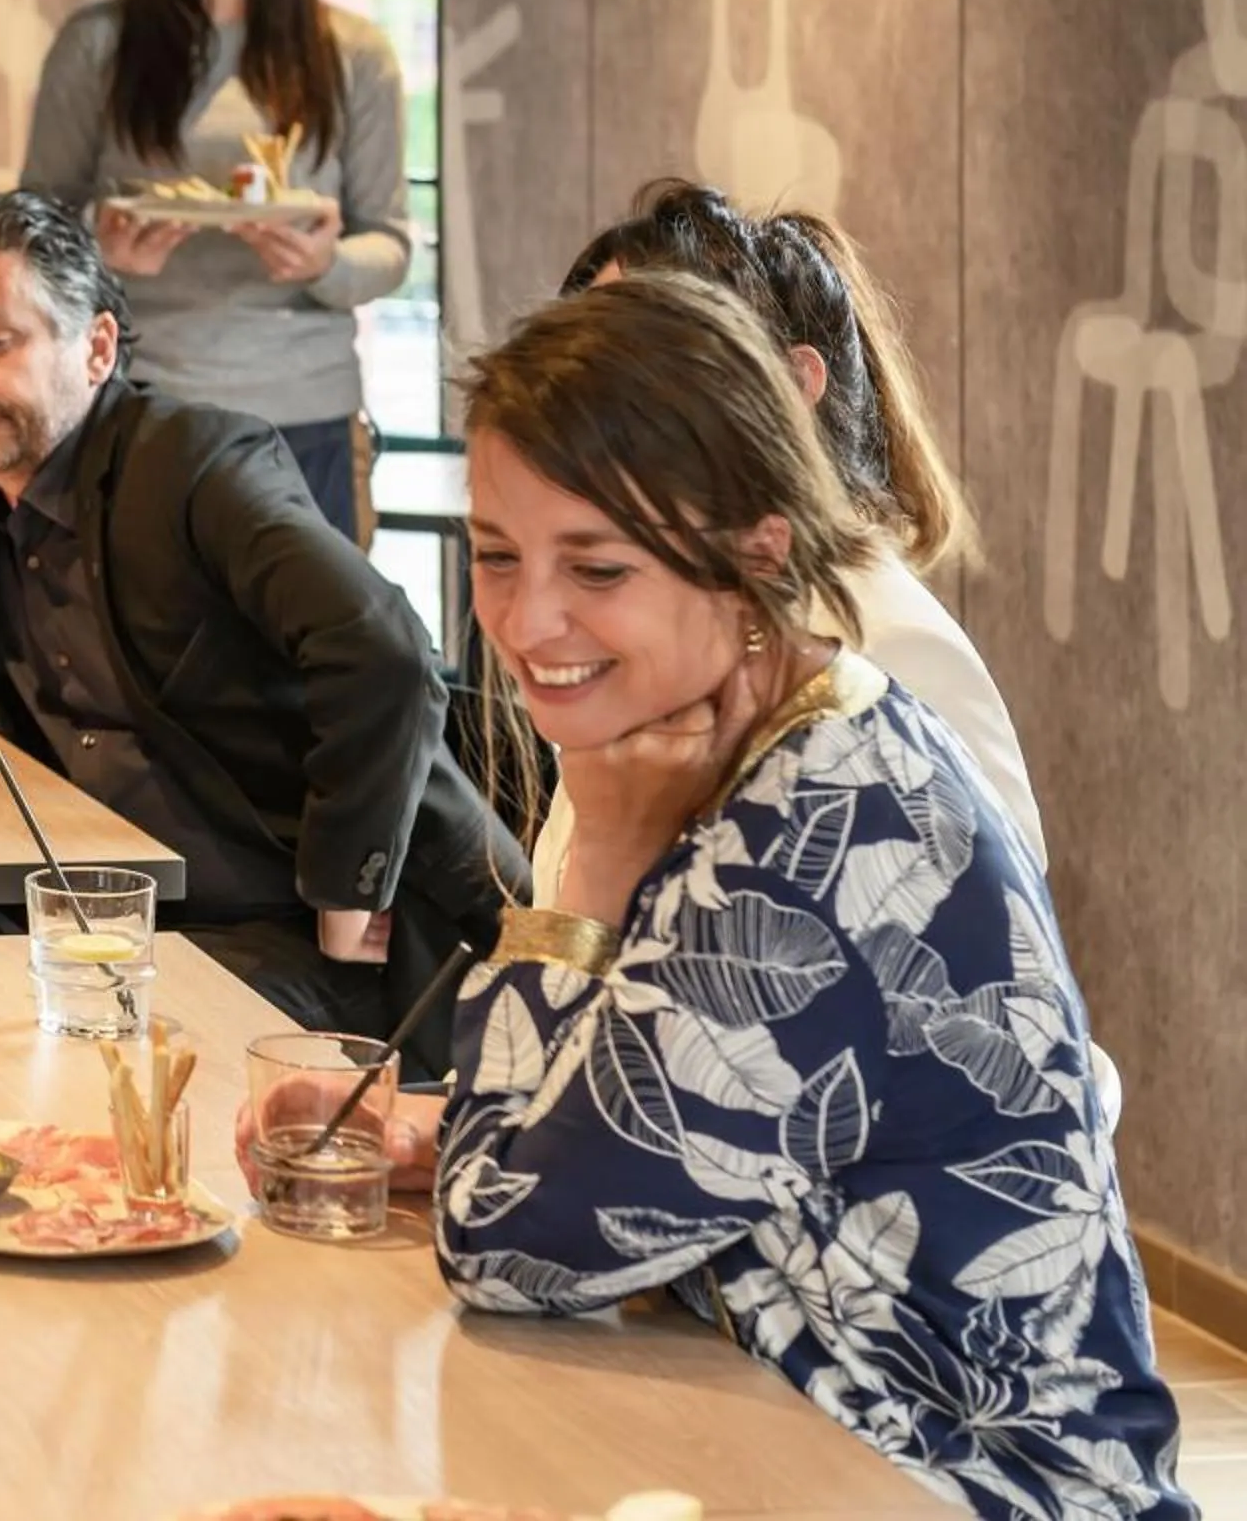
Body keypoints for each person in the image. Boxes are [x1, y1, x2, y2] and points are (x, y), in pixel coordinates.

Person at [432, 272, 1189, 1520]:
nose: (528, 619)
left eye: (600, 568)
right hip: (808, 1453)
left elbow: (500, 1241)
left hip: (967, 1494)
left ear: (754, 557)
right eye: (500, 556)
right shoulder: (769, 736)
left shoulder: (814, 840)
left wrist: (598, 868)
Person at [0, 192, 517, 1076]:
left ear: (97, 347)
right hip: (104, 897)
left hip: (297, 929)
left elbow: (384, 649)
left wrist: (344, 886)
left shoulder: (195, 466)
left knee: (35, 1042)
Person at [546, 179, 1039, 885]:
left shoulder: (887, 647)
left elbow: (988, 941)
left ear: (790, 383)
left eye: (643, 380)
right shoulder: (661, 619)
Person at [19, 0, 411, 540]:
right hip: (137, 406)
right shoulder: (96, 47)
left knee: (310, 655)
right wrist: (102, 247)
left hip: (306, 415)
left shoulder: (353, 54)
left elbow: (391, 245)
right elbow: (34, 229)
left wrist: (323, 264)